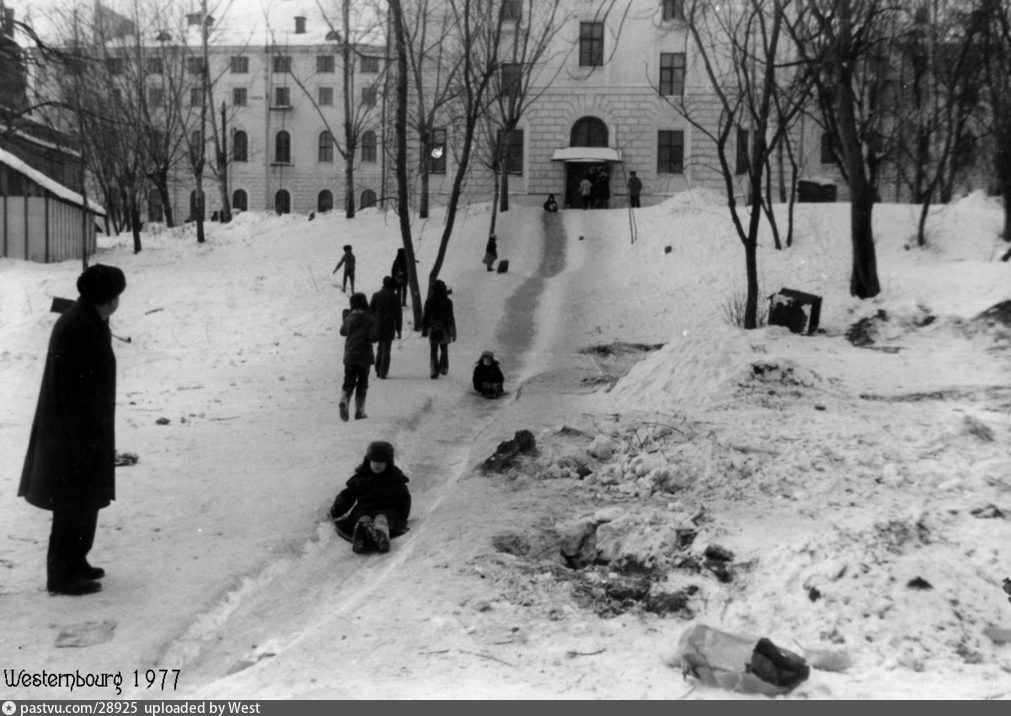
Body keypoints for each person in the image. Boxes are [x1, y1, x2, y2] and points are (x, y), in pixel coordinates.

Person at [19, 264, 127, 596]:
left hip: (83, 428)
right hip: (72, 432)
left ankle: (77, 561)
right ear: (108, 298)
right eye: (118, 295)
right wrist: (83, 441)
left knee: (85, 500)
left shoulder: (89, 320)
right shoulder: (79, 327)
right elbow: (73, 391)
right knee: (71, 501)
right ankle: (62, 575)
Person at [329, 441, 411, 555]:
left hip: (388, 511)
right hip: (364, 510)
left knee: (381, 519)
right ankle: (360, 537)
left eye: (381, 462)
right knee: (363, 519)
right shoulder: (362, 478)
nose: (377, 465)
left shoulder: (393, 478)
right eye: (374, 461)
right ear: (368, 460)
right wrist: (337, 508)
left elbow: (404, 498)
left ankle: (381, 537)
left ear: (388, 462)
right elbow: (348, 494)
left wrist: (402, 516)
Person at [339, 292, 376, 421]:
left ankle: (344, 399)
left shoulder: (350, 317)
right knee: (363, 382)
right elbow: (373, 337)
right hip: (364, 355)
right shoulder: (370, 318)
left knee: (348, 381)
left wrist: (345, 319)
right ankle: (360, 411)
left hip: (350, 354)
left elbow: (343, 332)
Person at [421, 279, 457, 379]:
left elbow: (426, 316)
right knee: (444, 348)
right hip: (444, 327)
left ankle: (433, 370)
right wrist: (453, 331)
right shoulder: (448, 302)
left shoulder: (429, 301)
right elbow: (450, 317)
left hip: (433, 327)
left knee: (433, 349)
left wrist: (424, 328)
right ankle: (444, 368)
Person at [369, 276, 402, 379]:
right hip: (389, 325)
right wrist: (398, 329)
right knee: (386, 349)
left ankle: (378, 368)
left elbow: (370, 311)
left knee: (380, 347)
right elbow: (398, 315)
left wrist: (371, 326)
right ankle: (383, 371)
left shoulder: (375, 295)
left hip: (378, 325)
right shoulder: (395, 297)